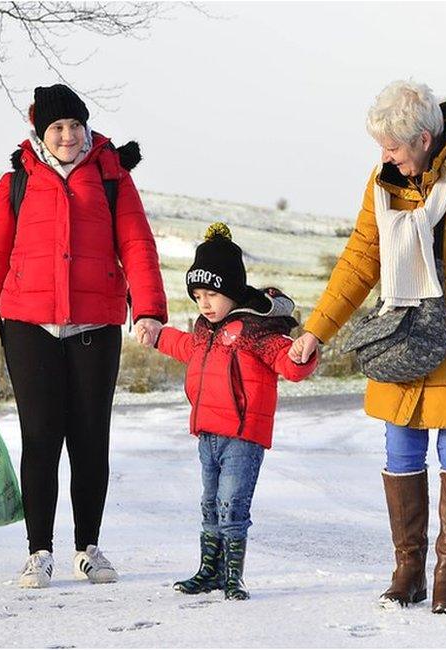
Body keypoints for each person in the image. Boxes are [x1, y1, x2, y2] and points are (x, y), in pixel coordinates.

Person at [289, 80, 446, 613]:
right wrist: (315, 330)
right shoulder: (384, 182)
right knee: (400, 449)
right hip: (401, 335)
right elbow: (359, 260)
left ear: (424, 139)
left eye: (392, 147)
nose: (384, 156)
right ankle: (407, 571)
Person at [0, 83, 167, 588]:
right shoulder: (14, 185)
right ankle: (39, 551)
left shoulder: (113, 179)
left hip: (96, 324)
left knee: (91, 438)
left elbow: (138, 245)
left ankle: (89, 547)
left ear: (86, 127)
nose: (68, 135)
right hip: (29, 326)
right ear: (41, 133)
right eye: (57, 127)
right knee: (41, 437)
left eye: (75, 125)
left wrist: (150, 309)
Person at [138, 223, 318, 600]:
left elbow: (286, 362)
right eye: (198, 295)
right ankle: (209, 571)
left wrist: (302, 354)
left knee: (231, 505)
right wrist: (157, 336)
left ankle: (233, 576)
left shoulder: (257, 331)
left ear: (232, 290)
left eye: (212, 293)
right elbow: (185, 347)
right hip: (208, 433)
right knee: (209, 505)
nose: (204, 303)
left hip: (242, 436)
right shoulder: (205, 330)